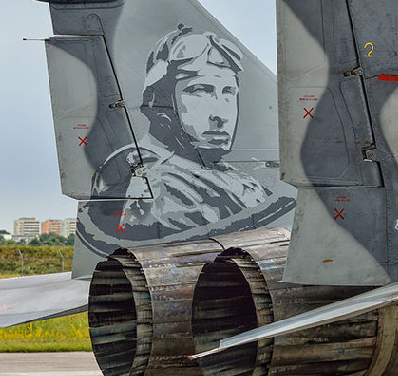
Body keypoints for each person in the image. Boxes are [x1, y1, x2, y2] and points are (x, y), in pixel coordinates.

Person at [92, 25, 269, 234]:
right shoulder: (162, 184)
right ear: (159, 101)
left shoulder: (222, 176)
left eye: (228, 92)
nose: (220, 116)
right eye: (200, 90)